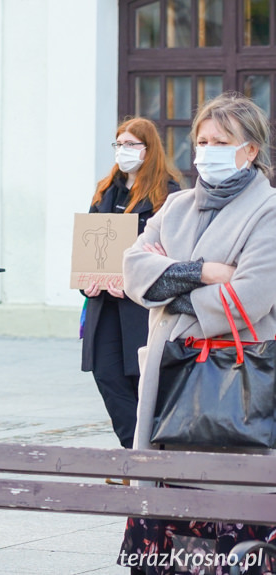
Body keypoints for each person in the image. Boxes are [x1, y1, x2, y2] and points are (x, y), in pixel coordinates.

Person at [121, 93, 276, 574]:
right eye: (202, 140)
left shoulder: (268, 211)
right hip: (168, 377)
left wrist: (169, 286)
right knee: (166, 502)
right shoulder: (176, 205)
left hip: (235, 379)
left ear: (250, 150)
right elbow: (135, 271)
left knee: (229, 503)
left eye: (221, 141)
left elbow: (250, 298)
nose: (207, 150)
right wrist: (205, 270)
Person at [81, 117, 181, 452]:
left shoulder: (169, 195)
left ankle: (155, 453)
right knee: (107, 376)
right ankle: (134, 452)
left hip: (141, 308)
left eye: (131, 145)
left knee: (144, 380)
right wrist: (87, 282)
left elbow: (171, 252)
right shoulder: (106, 190)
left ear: (149, 150)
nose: (123, 151)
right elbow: (88, 244)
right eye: (119, 145)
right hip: (104, 304)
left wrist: (139, 278)